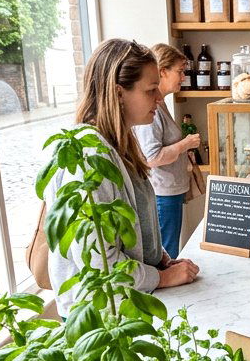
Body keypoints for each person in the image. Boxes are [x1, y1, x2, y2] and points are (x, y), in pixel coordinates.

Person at [46, 38, 199, 315]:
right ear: (118, 93)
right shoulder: (90, 158)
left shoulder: (120, 143)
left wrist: (160, 258)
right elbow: (101, 263)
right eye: (150, 90)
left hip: (130, 302)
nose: (158, 97)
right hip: (102, 317)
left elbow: (134, 224)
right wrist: (161, 278)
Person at [133, 43, 201, 257]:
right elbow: (152, 157)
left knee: (170, 248)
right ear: (162, 71)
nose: (183, 77)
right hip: (162, 192)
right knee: (166, 252)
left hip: (171, 190)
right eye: (180, 71)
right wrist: (185, 144)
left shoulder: (161, 105)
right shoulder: (150, 113)